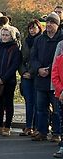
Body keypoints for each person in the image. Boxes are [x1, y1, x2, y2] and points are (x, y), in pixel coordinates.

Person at [31, 12, 63, 141]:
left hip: (55, 80)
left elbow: (58, 60)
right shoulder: (39, 39)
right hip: (40, 79)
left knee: (56, 110)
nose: (48, 25)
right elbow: (33, 57)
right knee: (41, 108)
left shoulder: (61, 40)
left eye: (52, 22)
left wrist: (49, 69)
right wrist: (38, 69)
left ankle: (56, 133)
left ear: (57, 24)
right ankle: (42, 132)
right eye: (47, 22)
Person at [0, 26, 22, 136]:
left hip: (9, 81)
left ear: (11, 36)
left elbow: (14, 65)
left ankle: (7, 127)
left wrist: (3, 78)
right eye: (3, 34)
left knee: (8, 104)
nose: (4, 37)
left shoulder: (15, 48)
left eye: (7, 35)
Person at [18, 19, 43, 136]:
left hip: (37, 75)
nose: (32, 30)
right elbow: (20, 59)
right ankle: (28, 126)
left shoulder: (42, 40)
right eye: (30, 28)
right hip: (25, 75)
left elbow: (38, 59)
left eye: (34, 28)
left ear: (39, 28)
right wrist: (23, 72)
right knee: (29, 102)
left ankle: (37, 127)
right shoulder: (25, 41)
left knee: (39, 103)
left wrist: (32, 72)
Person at [51, 41, 63, 157]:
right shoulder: (59, 59)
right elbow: (55, 76)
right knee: (62, 121)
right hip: (61, 95)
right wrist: (61, 90)